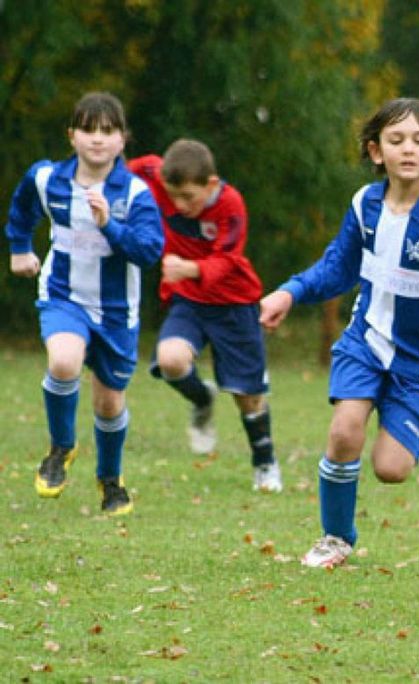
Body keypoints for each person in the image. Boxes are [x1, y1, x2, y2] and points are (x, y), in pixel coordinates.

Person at [259, 97, 419, 568]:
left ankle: (415, 422)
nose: (408, 149)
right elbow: (338, 268)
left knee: (390, 469)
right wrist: (289, 294)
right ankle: (336, 538)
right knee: (344, 432)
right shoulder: (364, 204)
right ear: (377, 152)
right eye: (396, 140)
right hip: (365, 342)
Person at [5, 91, 164, 515]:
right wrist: (19, 246)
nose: (98, 139)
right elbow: (22, 205)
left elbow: (150, 251)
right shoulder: (47, 179)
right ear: (72, 135)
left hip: (115, 312)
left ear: (122, 139)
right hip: (63, 296)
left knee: (109, 402)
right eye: (88, 130)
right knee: (63, 362)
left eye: (108, 131)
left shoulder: (134, 193)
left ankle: (110, 479)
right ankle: (60, 449)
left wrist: (110, 226)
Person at [128, 139, 283, 493]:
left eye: (188, 197)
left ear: (210, 185)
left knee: (248, 394)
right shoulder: (153, 172)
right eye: (173, 196)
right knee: (170, 361)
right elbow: (117, 171)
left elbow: (228, 259)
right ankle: (202, 399)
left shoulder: (230, 204)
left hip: (234, 303)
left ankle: (265, 462)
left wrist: (189, 268)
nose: (179, 205)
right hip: (190, 301)